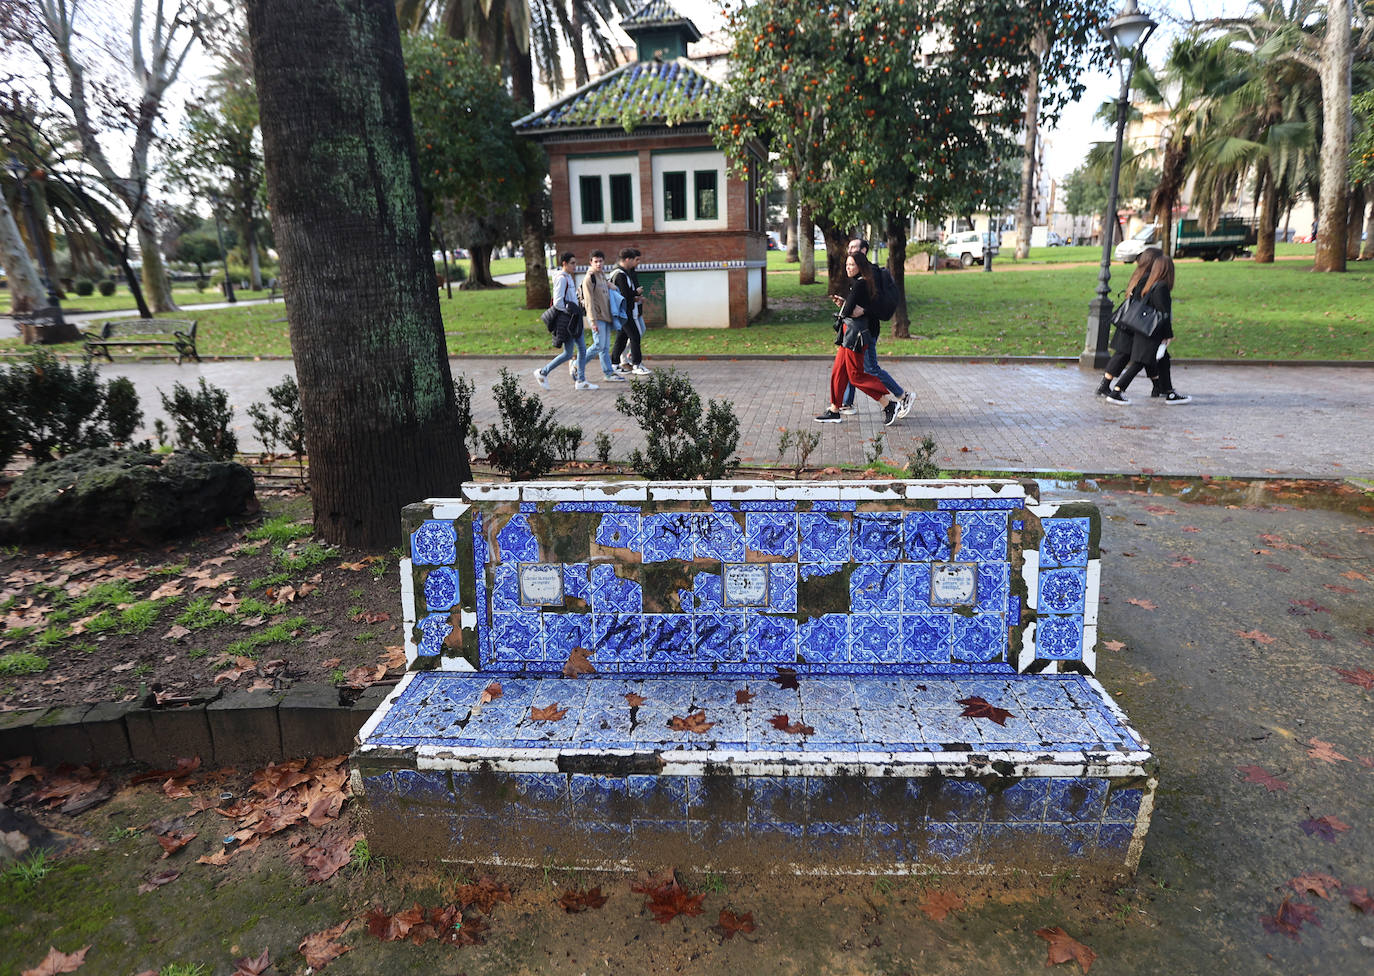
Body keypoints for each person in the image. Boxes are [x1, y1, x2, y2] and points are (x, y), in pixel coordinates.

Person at [816, 251, 902, 426]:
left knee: (856, 376)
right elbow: (854, 307)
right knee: (838, 371)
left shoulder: (860, 284)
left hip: (855, 336)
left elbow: (849, 311)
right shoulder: (862, 283)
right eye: (847, 264)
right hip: (850, 334)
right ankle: (834, 410)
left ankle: (888, 405)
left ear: (860, 267)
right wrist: (846, 304)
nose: (848, 268)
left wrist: (847, 306)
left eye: (852, 265)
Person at [1095, 247, 1189, 404]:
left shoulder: (1144, 277)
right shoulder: (1153, 282)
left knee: (1155, 358)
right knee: (1138, 358)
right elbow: (1161, 312)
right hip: (1141, 326)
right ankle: (1116, 390)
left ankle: (1163, 389)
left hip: (1138, 324)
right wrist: (1167, 334)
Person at [836, 237, 914, 418]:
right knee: (851, 367)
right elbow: (858, 303)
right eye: (849, 248)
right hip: (856, 331)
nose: (850, 251)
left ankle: (902, 396)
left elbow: (876, 304)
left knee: (870, 369)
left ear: (864, 251)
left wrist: (863, 310)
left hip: (867, 330)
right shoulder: (857, 274)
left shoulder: (871, 274)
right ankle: (846, 403)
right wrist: (846, 304)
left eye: (854, 248)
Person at [533, 252, 597, 391]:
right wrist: (571, 311)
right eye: (572, 263)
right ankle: (543, 372)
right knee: (569, 353)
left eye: (575, 263)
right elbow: (558, 302)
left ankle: (580, 380)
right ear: (564, 264)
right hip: (569, 321)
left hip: (574, 319)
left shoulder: (568, 277)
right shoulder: (562, 278)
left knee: (581, 350)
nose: (575, 266)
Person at [574, 249, 625, 383]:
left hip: (606, 316)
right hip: (597, 317)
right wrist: (593, 321)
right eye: (595, 261)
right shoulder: (589, 278)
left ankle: (608, 373)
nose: (598, 264)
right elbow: (589, 302)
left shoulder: (602, 275)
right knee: (598, 345)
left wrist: (612, 287)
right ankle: (576, 364)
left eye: (600, 261)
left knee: (605, 347)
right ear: (590, 262)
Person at [609, 247, 651, 375]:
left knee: (622, 338)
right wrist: (636, 293)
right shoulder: (620, 274)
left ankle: (614, 364)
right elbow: (624, 294)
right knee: (635, 336)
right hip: (623, 311)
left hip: (624, 310)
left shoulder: (623, 273)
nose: (635, 263)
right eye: (633, 260)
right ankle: (636, 365)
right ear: (627, 259)